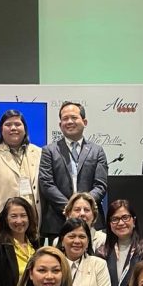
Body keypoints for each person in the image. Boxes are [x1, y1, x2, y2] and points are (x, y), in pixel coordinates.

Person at [39, 102, 108, 238]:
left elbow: (100, 185)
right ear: (60, 125)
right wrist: (70, 209)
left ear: (84, 122)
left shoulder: (97, 151)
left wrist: (84, 208)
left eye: (74, 117)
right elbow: (46, 184)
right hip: (57, 221)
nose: (69, 122)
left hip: (91, 221)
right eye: (65, 119)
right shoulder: (49, 151)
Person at [0, 109, 42, 236]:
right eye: (8, 125)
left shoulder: (38, 153)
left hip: (33, 223)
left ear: (25, 129)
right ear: (1, 129)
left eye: (17, 124)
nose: (13, 128)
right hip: (3, 223)